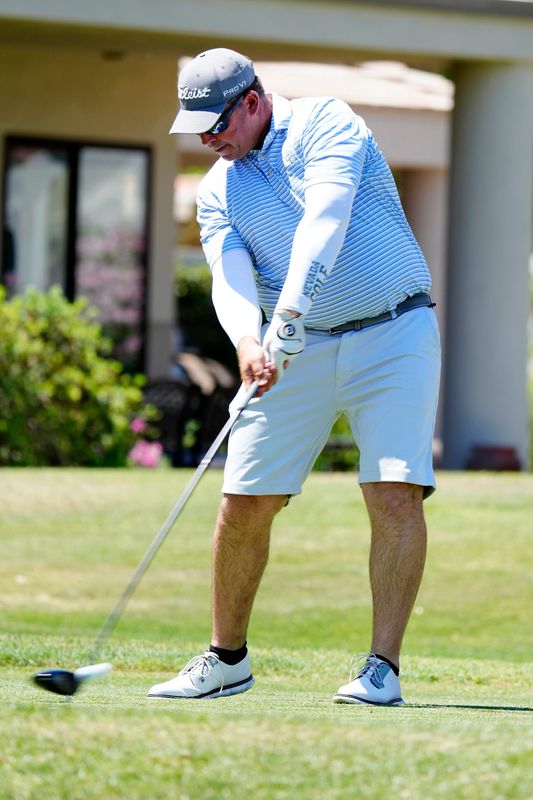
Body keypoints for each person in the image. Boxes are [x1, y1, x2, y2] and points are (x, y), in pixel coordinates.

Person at [148, 47, 441, 705]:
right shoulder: (219, 187)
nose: (206, 137)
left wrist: (286, 315)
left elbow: (324, 221)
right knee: (244, 497)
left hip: (392, 329)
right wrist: (249, 340)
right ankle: (227, 659)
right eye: (194, 124)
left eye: (215, 121)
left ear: (251, 100)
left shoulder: (324, 124)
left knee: (393, 491)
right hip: (295, 348)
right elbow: (228, 276)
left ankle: (381, 669)